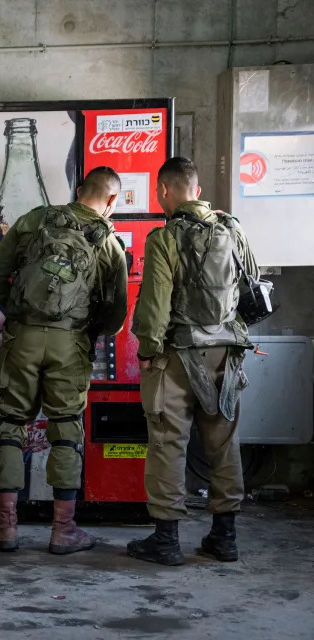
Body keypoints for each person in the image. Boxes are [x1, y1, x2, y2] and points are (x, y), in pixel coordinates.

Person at [0, 166, 128, 555]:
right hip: (70, 343)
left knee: (10, 423)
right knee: (65, 428)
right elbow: (116, 314)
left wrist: (20, 314)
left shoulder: (34, 220)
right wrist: (85, 330)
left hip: (22, 337)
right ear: (111, 201)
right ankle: (64, 529)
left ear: (78, 191)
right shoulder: (109, 243)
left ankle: (4, 525)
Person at [128, 157, 258, 566]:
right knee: (223, 443)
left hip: (178, 357)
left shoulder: (164, 237)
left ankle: (166, 540)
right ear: (197, 191)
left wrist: (148, 352)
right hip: (228, 355)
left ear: (163, 191)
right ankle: (225, 537)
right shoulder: (233, 229)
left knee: (168, 443)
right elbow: (252, 286)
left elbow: (154, 307)